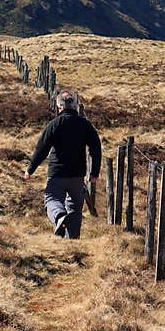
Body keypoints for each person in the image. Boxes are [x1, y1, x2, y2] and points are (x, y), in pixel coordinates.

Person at [24, 89, 102, 239]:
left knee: (51, 199)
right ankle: (71, 240)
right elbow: (95, 147)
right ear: (75, 106)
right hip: (77, 175)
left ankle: (59, 217)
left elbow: (42, 148)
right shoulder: (84, 124)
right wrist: (94, 173)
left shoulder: (54, 124)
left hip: (57, 173)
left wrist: (30, 170)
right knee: (74, 208)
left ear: (59, 106)